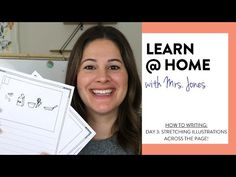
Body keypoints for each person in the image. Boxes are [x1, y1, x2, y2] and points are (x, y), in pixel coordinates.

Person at [65, 25, 141, 155]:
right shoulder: (51, 141)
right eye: (90, 67)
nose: (102, 78)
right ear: (75, 77)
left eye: (113, 67)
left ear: (129, 74)